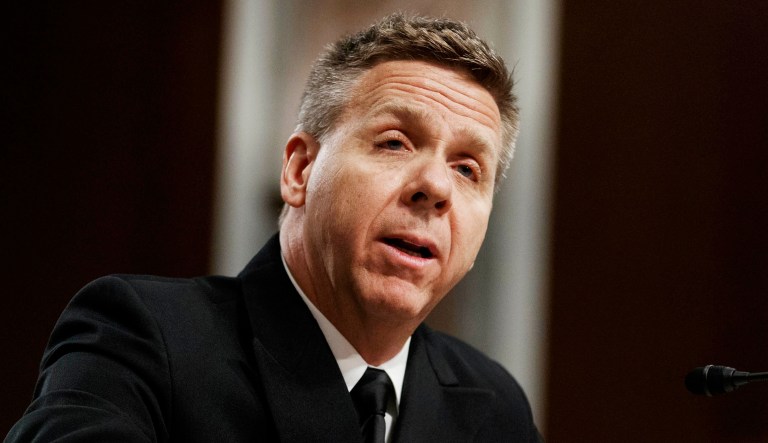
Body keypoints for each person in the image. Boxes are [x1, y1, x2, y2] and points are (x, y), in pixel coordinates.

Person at [6, 13, 542, 442]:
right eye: (395, 142)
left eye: (468, 168)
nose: (436, 187)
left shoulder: (495, 405)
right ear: (299, 170)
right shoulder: (141, 337)